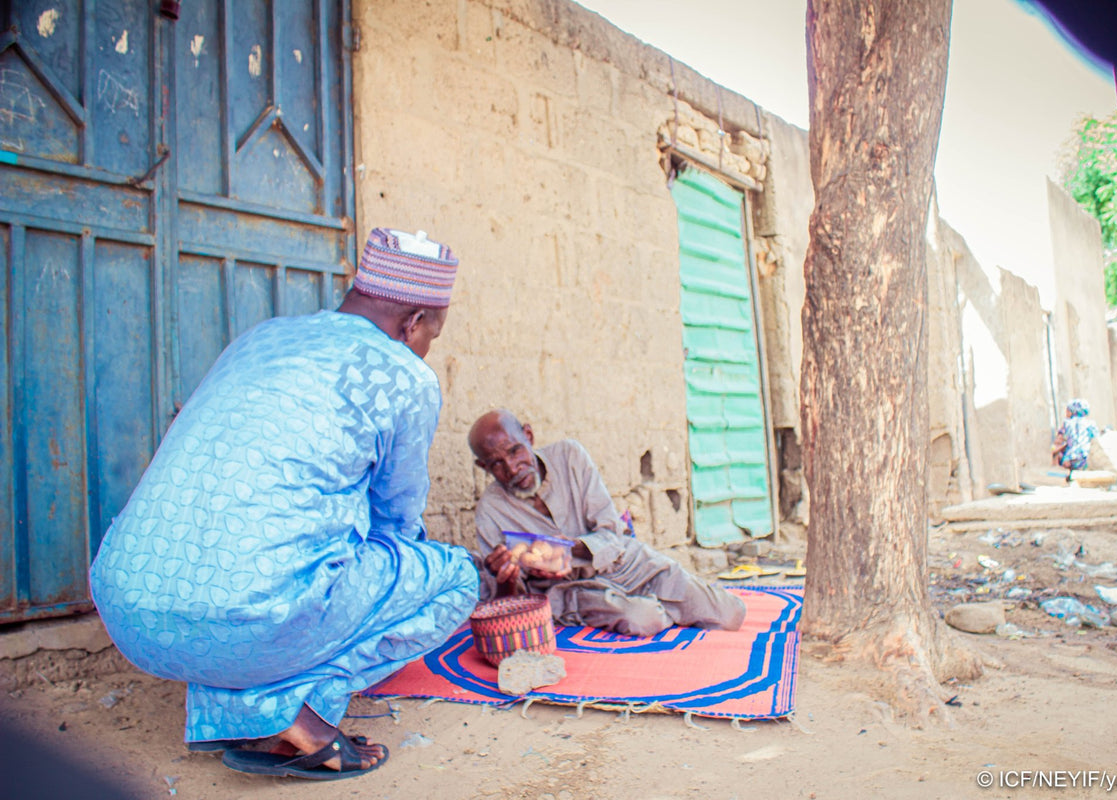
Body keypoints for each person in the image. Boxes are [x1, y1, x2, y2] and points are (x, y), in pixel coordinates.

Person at [89, 228, 479, 781]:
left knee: (259, 583)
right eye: (429, 337)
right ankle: (287, 713)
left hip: (128, 608)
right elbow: (396, 519)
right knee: (456, 576)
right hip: (251, 617)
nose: (424, 349)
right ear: (414, 322)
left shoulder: (261, 337)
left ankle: (238, 697)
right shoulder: (404, 374)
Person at [468, 410, 746, 637]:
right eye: (497, 464)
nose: (512, 467)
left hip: (625, 564)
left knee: (730, 614)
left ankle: (670, 600)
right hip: (573, 591)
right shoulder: (490, 511)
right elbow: (510, 601)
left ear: (528, 436)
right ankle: (663, 607)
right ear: (484, 468)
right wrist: (507, 577)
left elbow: (611, 530)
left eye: (515, 451)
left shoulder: (569, 456)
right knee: (645, 619)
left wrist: (564, 550)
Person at [1052, 397, 1101, 483]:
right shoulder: (1090, 423)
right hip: (1085, 456)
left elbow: (1061, 438)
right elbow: (1095, 438)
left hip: (1069, 458)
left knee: (1059, 450)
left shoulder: (1067, 423)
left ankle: (1072, 474)